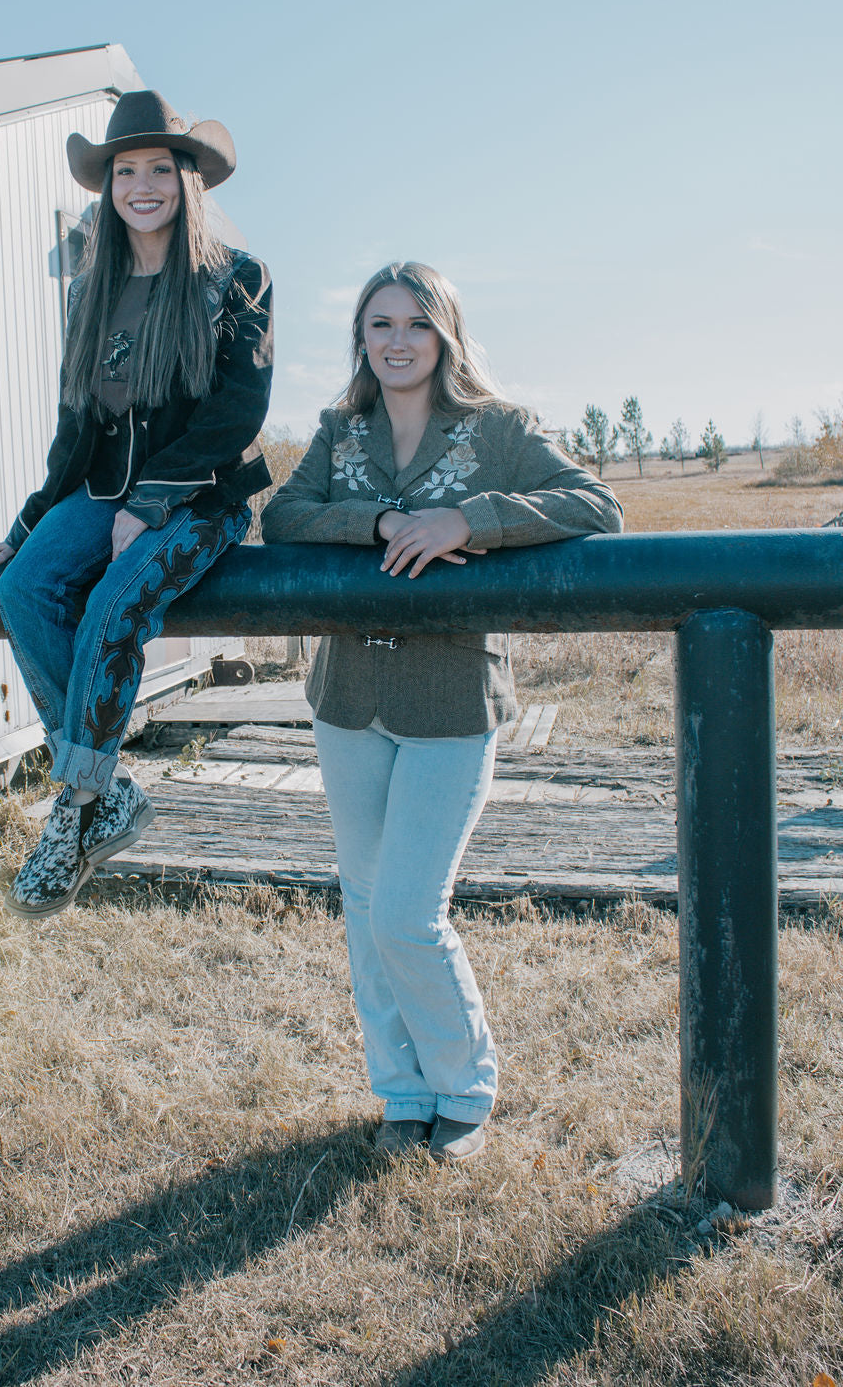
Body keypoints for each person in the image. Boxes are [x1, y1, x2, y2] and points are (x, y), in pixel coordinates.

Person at [261, 262, 622, 1163]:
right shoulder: (341, 430)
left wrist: (470, 519)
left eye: (415, 324)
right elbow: (285, 518)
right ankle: (402, 1090)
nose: (395, 340)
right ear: (360, 339)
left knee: (408, 913)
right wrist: (379, 522)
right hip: (348, 699)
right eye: (378, 324)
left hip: (452, 702)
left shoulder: (496, 429)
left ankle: (464, 1088)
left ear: (446, 334)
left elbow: (597, 504)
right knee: (363, 902)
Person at [0, 90, 273, 919]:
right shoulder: (91, 291)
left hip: (203, 497)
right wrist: (30, 525)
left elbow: (235, 414)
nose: (142, 185)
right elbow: (76, 429)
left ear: (188, 179)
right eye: (124, 171)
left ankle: (69, 814)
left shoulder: (237, 280)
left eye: (159, 169)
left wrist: (150, 501)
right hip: (99, 490)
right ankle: (109, 796)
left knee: (113, 602)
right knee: (21, 588)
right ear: (107, 187)